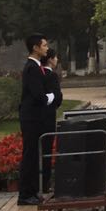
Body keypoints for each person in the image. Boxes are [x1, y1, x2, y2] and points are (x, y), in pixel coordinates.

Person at [18, 35, 53, 205]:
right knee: (30, 155)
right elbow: (37, 94)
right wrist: (50, 97)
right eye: (44, 45)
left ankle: (32, 191)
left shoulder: (36, 66)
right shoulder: (32, 68)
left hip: (36, 116)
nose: (47, 48)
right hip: (31, 117)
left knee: (34, 155)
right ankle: (25, 194)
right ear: (35, 48)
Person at [42, 47, 63, 194]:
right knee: (47, 149)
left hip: (38, 116)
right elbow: (57, 97)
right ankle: (46, 182)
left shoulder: (38, 73)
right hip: (48, 116)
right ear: (50, 59)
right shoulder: (51, 75)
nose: (57, 60)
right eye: (55, 57)